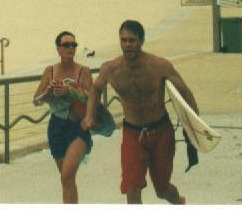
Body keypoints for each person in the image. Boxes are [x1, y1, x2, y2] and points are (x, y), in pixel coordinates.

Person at [83, 20, 198, 205]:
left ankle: (179, 202)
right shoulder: (110, 69)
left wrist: (195, 123)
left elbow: (184, 90)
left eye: (132, 40)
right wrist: (89, 115)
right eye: (124, 40)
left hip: (161, 131)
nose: (127, 44)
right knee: (132, 186)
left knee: (162, 189)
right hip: (132, 133)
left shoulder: (159, 65)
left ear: (141, 41)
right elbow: (95, 89)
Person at [34, 31, 93, 203]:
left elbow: (91, 97)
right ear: (58, 49)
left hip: (78, 128)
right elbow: (36, 101)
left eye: (73, 45)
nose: (70, 48)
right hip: (56, 128)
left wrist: (69, 90)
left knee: (67, 176)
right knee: (67, 179)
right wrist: (49, 92)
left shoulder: (84, 71)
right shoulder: (50, 71)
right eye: (66, 45)